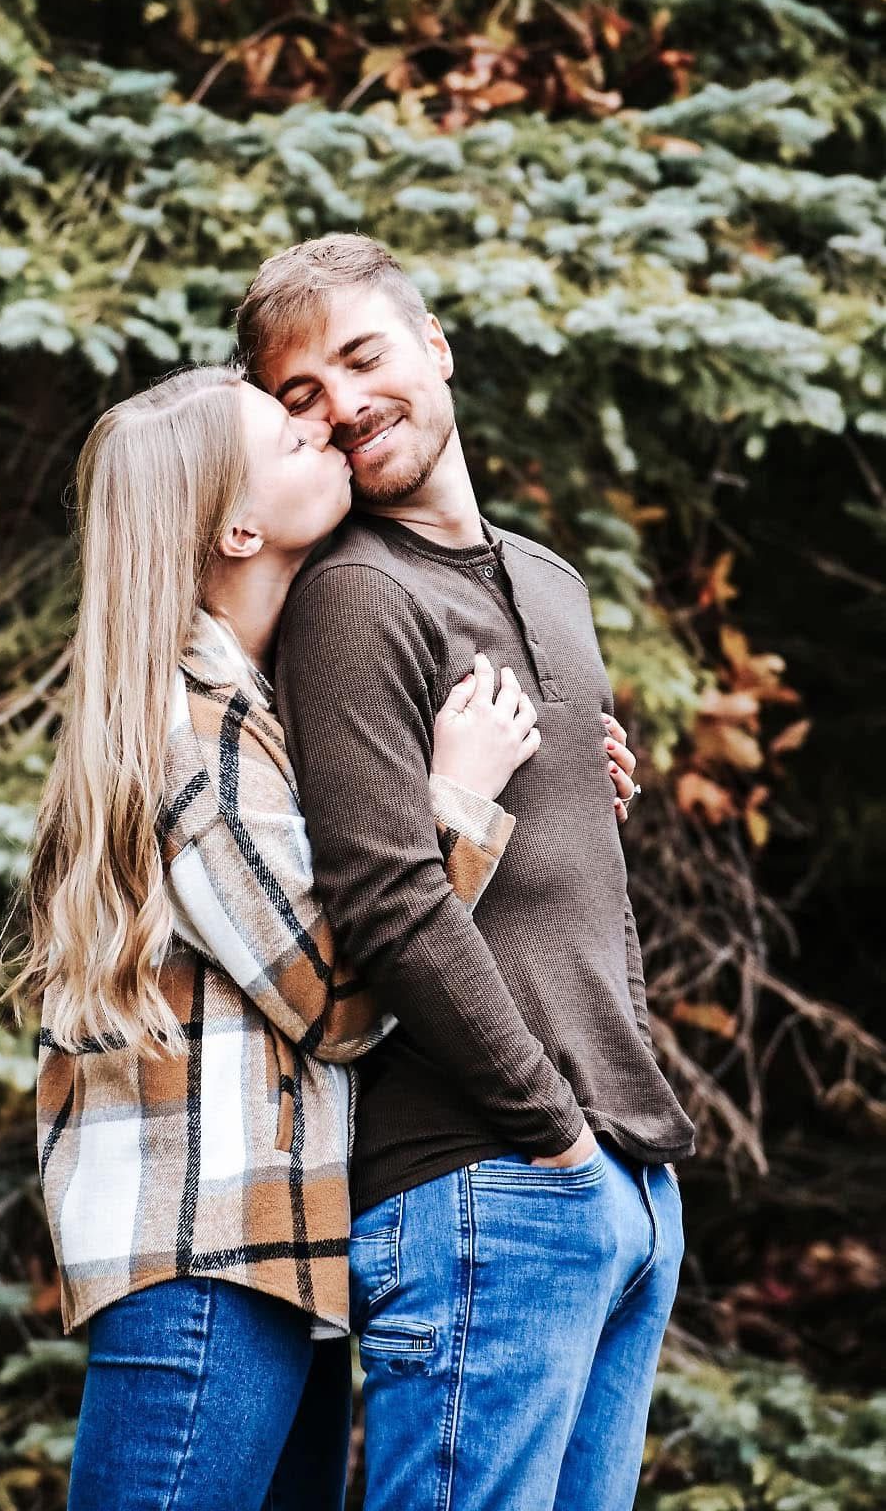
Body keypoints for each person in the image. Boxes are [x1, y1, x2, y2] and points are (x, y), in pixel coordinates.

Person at [4, 364, 537, 1511]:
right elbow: (341, 1000)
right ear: (238, 525)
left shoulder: (259, 707)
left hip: (281, 1261)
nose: (323, 429)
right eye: (287, 434)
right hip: (210, 1258)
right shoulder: (192, 730)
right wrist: (457, 801)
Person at [237, 233, 698, 1511]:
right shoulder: (354, 596)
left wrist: (630, 1150)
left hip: (622, 1182)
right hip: (482, 1178)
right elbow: (387, 901)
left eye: (362, 355)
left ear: (435, 346)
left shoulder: (552, 584)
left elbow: (587, 881)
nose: (342, 402)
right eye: (300, 397)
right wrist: (550, 1132)